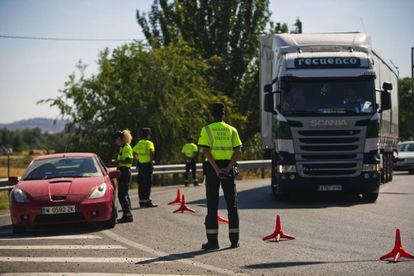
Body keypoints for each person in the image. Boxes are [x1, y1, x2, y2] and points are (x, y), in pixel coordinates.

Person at [198, 103, 242, 250]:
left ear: (212, 114)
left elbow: (206, 151)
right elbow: (238, 151)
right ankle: (234, 241)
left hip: (213, 169)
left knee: (212, 205)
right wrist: (227, 169)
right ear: (224, 114)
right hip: (228, 168)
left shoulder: (207, 130)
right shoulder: (232, 130)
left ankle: (213, 242)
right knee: (232, 205)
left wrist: (217, 170)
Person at [133, 128, 158, 208]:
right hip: (147, 165)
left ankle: (141, 202)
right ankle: (147, 202)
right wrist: (151, 161)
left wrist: (137, 160)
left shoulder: (139, 143)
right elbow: (152, 151)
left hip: (141, 165)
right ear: (148, 135)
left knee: (141, 183)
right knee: (147, 183)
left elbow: (134, 152)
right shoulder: (149, 143)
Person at [113, 130, 134, 223]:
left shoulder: (127, 147)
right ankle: (128, 214)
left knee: (122, 195)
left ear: (120, 139)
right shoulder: (122, 148)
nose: (115, 141)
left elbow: (129, 161)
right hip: (122, 172)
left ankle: (127, 215)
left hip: (125, 172)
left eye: (116, 139)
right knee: (124, 194)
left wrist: (117, 162)